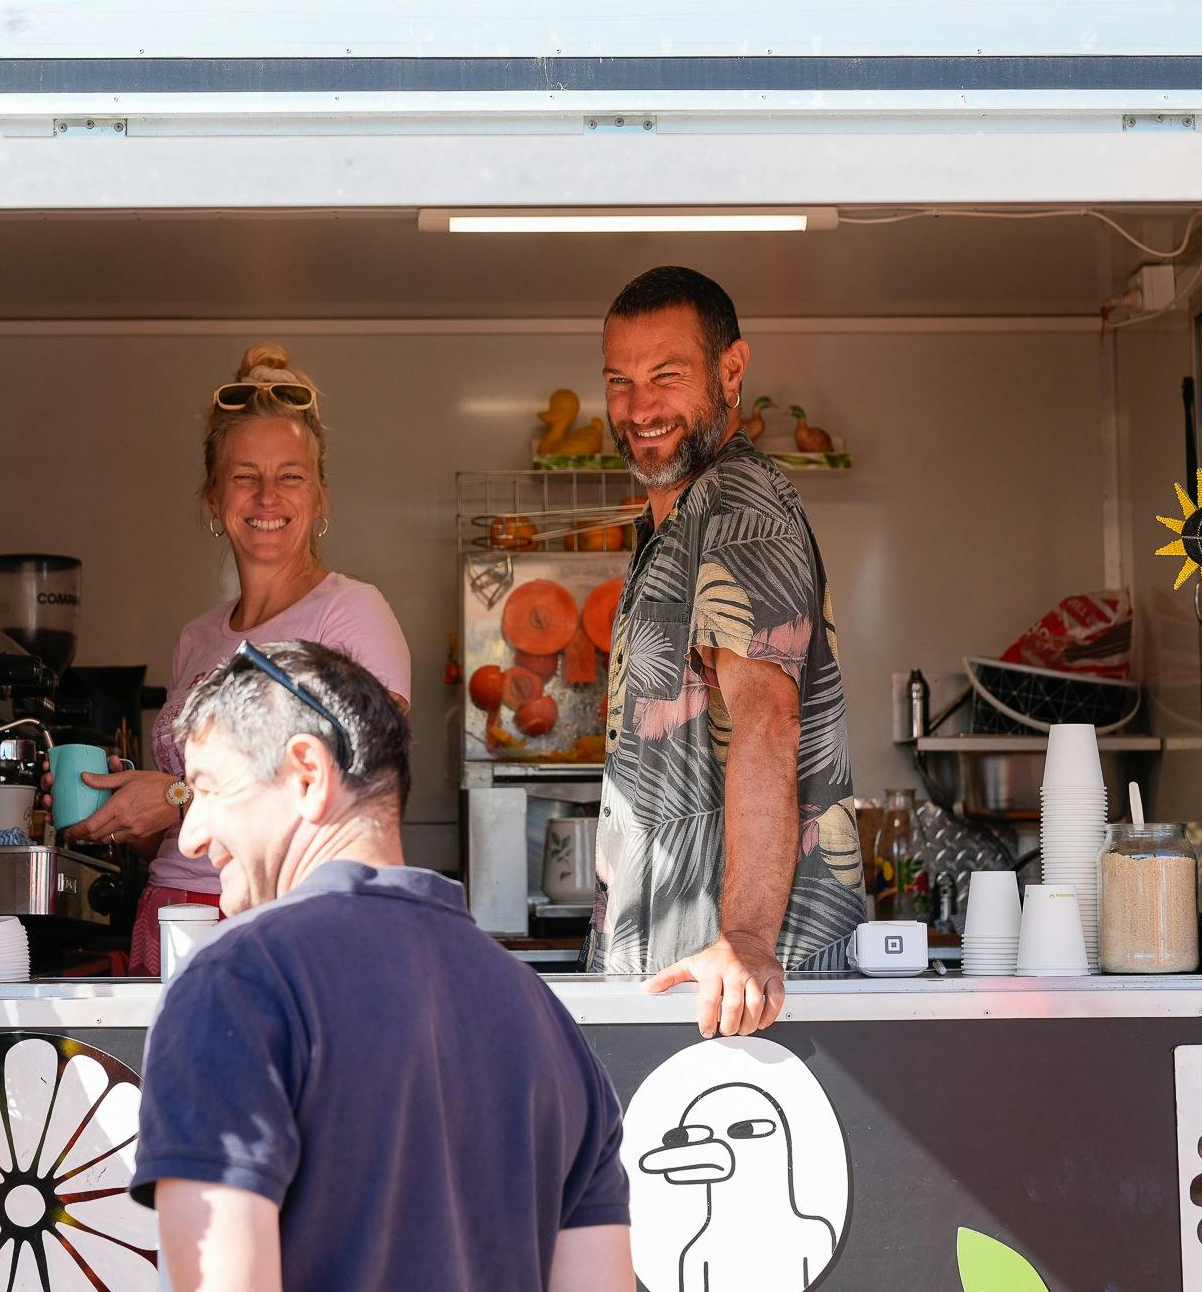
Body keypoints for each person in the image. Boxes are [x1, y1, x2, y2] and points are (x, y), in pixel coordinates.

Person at [131, 639, 634, 1292]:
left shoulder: (235, 985)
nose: (193, 833)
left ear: (307, 772)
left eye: (205, 788)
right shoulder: (547, 1020)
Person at [54, 344, 410, 976]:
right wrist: (123, 807)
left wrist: (176, 795)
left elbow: (366, 782)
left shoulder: (352, 612)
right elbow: (169, 823)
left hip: (284, 918)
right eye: (246, 475)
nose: (267, 495)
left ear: (320, 496)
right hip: (169, 913)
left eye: (290, 475)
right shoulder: (196, 638)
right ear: (215, 497)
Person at [589, 265, 866, 1037]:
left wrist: (744, 939)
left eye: (666, 377)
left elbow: (769, 718)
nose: (639, 408)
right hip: (690, 988)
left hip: (732, 1004)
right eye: (620, 381)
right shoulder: (679, 517)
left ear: (732, 370)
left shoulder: (738, 504)